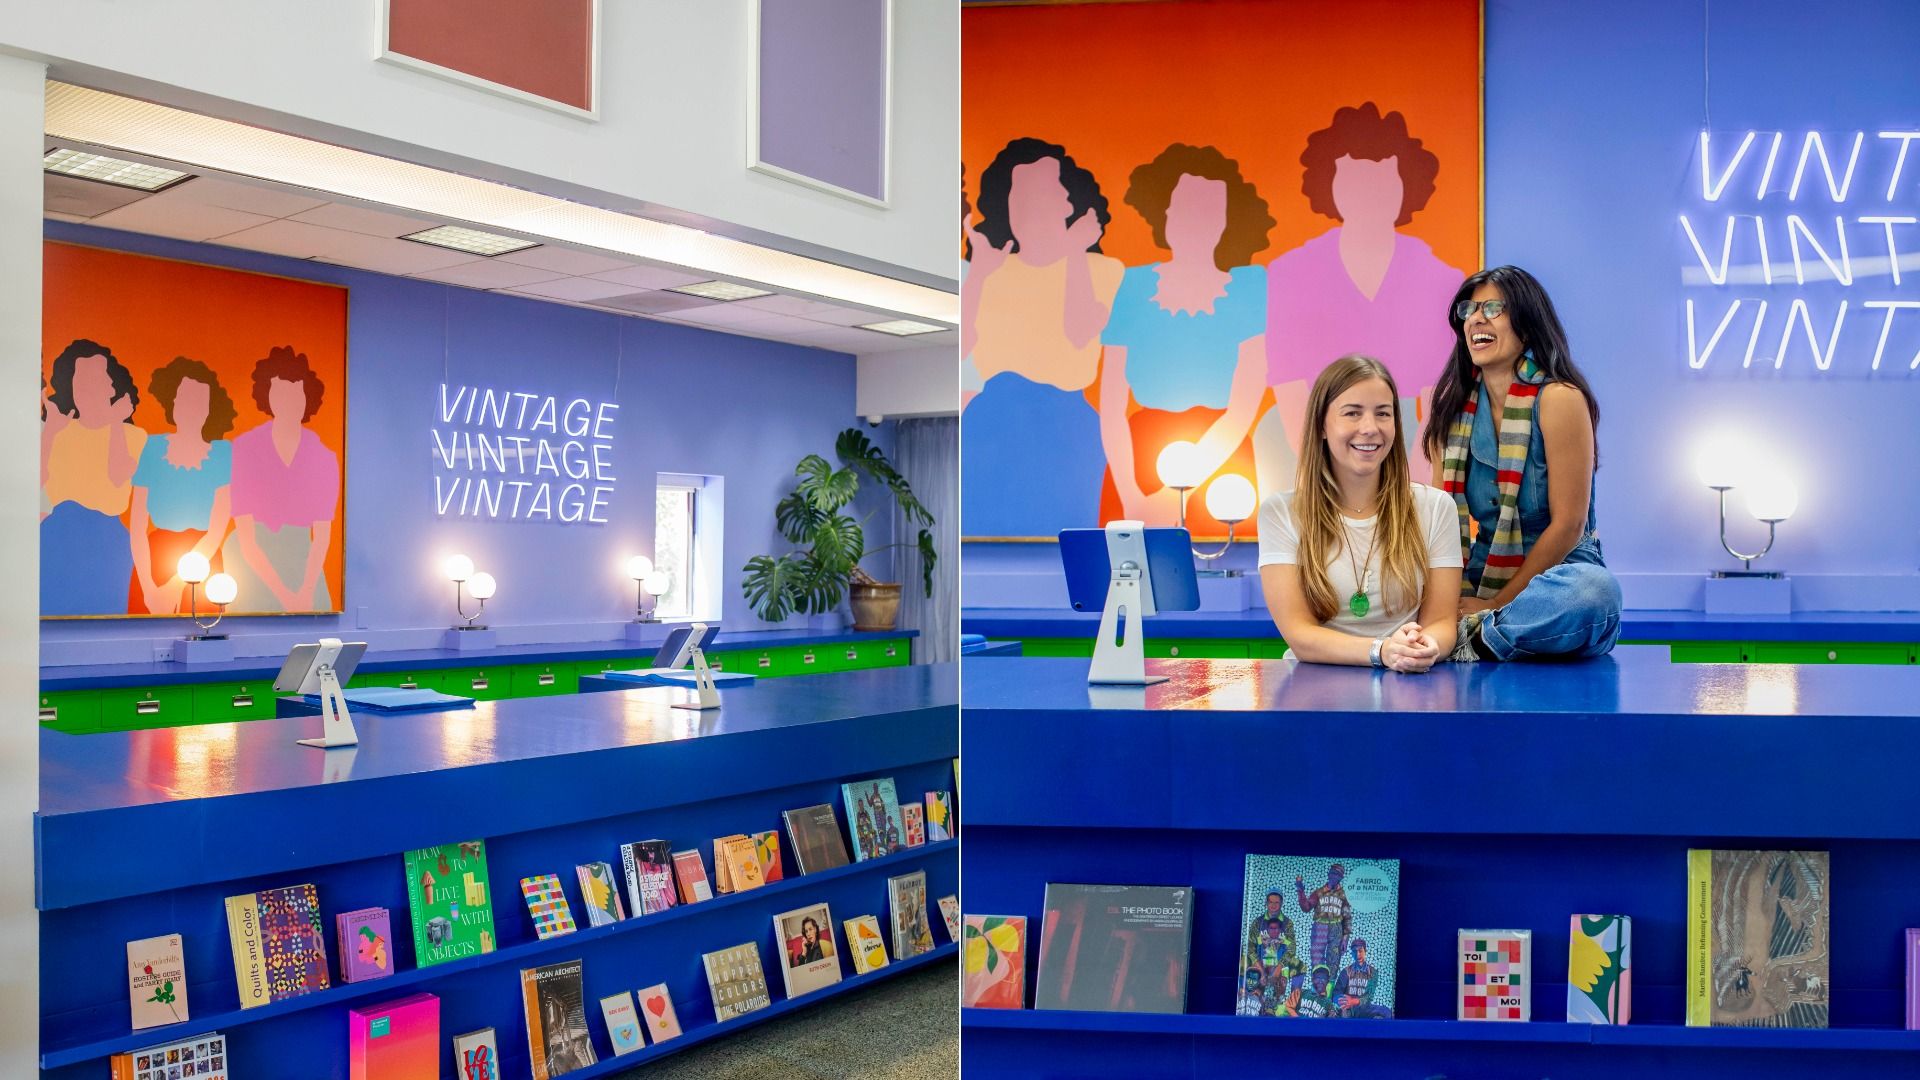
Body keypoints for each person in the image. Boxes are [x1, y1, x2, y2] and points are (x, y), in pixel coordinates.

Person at [1256, 103, 1465, 496]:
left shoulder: (1442, 277)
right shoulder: (1291, 273)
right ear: (1329, 186)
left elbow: (1435, 410)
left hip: (1410, 447)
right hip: (1319, 442)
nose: (1369, 195)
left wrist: (1406, 495)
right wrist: (1332, 481)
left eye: (1383, 180)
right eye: (1354, 180)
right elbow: (1291, 394)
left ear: (1407, 186)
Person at [1421, 266, 1623, 662]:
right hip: (1477, 572)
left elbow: (1568, 525)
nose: (1476, 319)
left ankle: (1473, 641)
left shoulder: (1560, 399)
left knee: (1594, 596)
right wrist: (1442, 599)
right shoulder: (1451, 412)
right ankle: (1482, 634)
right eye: (1469, 310)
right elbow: (1438, 525)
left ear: (1528, 325)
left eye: (1494, 308)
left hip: (1559, 575)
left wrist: (1495, 604)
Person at [1099, 143, 1272, 525]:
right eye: (1182, 207)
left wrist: (1177, 495)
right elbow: (1110, 406)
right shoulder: (1132, 284)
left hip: (1222, 469)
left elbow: (1243, 407)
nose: (1192, 221)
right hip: (1136, 462)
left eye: (1207, 210)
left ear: (1225, 221)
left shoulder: (1249, 286)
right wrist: (1131, 495)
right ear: (1165, 216)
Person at [1257, 356, 1463, 670]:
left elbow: (1442, 621)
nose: (1370, 428)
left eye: (1383, 413)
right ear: (1322, 426)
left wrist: (1422, 648)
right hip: (1312, 690)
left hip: (1409, 681)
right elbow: (1299, 635)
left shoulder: (1436, 508)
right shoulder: (1280, 513)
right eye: (1352, 413)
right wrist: (1382, 651)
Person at [962, 137, 1124, 536]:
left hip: (1064, 427)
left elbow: (1080, 332)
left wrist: (1073, 254)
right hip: (989, 425)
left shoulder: (1101, 268)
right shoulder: (987, 268)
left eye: (1047, 193)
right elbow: (962, 348)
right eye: (1023, 196)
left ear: (1069, 204)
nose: (1035, 208)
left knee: (1068, 545)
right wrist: (979, 275)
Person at [223, 346, 339, 612]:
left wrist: (306, 591)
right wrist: (285, 596)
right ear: (268, 396)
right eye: (280, 392)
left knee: (319, 610)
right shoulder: (244, 448)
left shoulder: (324, 457)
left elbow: (321, 537)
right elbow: (246, 538)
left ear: (307, 395)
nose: (288, 401)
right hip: (252, 557)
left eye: (295, 391)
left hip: (301, 557)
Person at [41, 339, 148, 616]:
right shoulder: (56, 430)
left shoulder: (133, 435)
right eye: (81, 381)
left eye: (97, 379)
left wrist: (114, 422)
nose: (89, 389)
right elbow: (38, 484)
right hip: (55, 538)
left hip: (106, 543)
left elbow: (118, 477)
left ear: (112, 386)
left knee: (106, 617)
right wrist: (49, 435)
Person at [129, 357, 237, 614]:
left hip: (205, 560)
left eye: (198, 401)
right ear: (173, 403)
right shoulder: (152, 447)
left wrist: (175, 585)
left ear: (209, 409)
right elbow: (137, 526)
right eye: (183, 398)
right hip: (153, 561)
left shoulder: (222, 453)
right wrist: (149, 588)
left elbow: (217, 528)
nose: (189, 407)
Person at [1334, 938, 1393, 1019]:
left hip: (1364, 1008)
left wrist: (1353, 1001)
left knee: (1387, 1012)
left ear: (1365, 951)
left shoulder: (1373, 972)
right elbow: (1336, 993)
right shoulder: (1346, 972)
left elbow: (1369, 996)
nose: (1357, 954)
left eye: (1360, 951)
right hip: (1347, 1008)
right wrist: (1342, 1001)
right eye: (1354, 951)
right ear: (1351, 953)